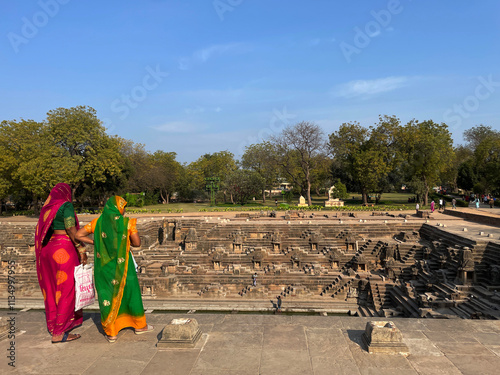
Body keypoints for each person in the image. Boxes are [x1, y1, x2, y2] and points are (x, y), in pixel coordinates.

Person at [76, 196, 153, 343]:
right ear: (118, 208)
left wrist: (96, 242)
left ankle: (112, 333)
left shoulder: (96, 222)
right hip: (123, 265)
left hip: (103, 266)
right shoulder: (127, 223)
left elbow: (78, 235)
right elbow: (137, 243)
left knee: (107, 294)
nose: (124, 210)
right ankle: (139, 326)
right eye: (123, 207)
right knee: (130, 292)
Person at [35, 183, 86, 343]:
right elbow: (71, 228)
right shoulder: (66, 205)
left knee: (52, 289)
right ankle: (59, 332)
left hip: (48, 250)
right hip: (64, 248)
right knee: (66, 289)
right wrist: (80, 247)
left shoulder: (48, 208)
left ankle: (54, 324)